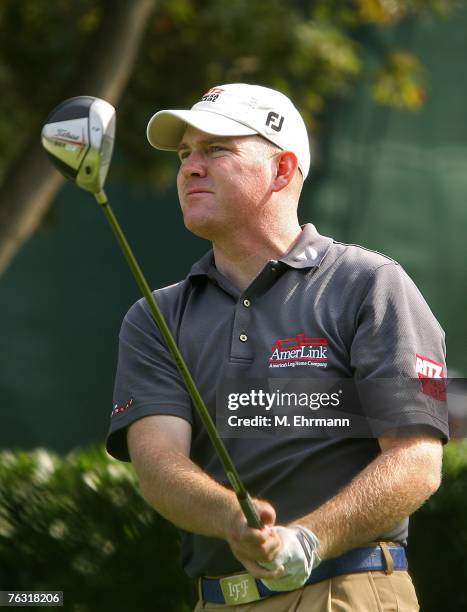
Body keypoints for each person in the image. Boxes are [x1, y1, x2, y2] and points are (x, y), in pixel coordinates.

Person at [106, 83, 449, 611]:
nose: (190, 168)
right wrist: (231, 519)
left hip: (348, 591)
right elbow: (156, 462)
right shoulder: (154, 317)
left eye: (216, 149)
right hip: (217, 601)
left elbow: (418, 460)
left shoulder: (374, 283)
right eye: (184, 154)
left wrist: (307, 540)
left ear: (282, 170)